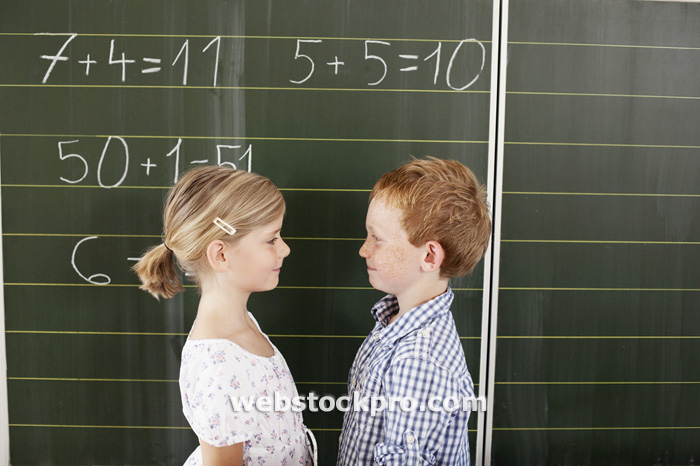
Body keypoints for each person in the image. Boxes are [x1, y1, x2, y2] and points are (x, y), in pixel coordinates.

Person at [133, 166, 316, 466]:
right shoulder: (219, 366)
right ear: (220, 255)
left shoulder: (243, 325)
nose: (285, 248)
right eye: (271, 239)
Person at [337, 157, 491, 465]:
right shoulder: (395, 323)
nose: (363, 249)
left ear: (430, 255)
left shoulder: (417, 360)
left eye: (376, 238)